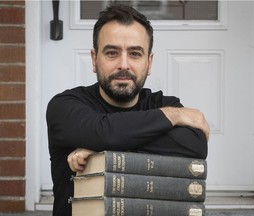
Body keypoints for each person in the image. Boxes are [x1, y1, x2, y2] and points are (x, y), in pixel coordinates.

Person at [46, 4, 210, 216]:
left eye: (135, 53)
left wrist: (101, 152)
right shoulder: (65, 106)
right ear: (94, 59)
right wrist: (173, 115)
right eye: (112, 53)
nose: (124, 64)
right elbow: (105, 133)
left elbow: (195, 145)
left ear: (149, 63)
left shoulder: (160, 103)